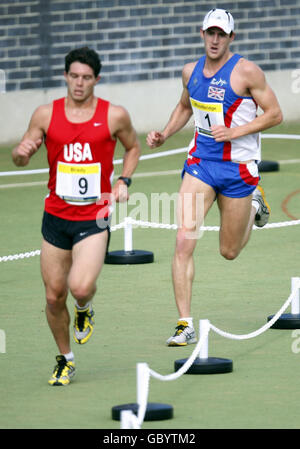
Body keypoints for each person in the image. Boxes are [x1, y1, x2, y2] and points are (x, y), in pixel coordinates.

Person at [147, 9, 283, 346]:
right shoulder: (189, 72)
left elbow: (275, 114)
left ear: (231, 38)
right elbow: (184, 107)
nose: (215, 39)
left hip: (238, 169)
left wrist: (237, 131)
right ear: (202, 33)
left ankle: (254, 203)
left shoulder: (247, 72)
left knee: (229, 251)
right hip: (201, 164)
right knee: (183, 240)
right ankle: (184, 323)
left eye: (222, 34)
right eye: (210, 32)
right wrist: (165, 133)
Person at [12, 47, 141, 385]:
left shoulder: (114, 116)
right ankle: (65, 358)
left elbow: (133, 147)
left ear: (96, 80)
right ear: (65, 76)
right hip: (55, 216)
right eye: (74, 76)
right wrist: (21, 154)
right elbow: (23, 152)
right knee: (54, 295)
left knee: (80, 287)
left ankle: (84, 308)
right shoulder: (45, 114)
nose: (80, 83)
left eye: (87, 77)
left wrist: (123, 180)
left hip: (94, 217)